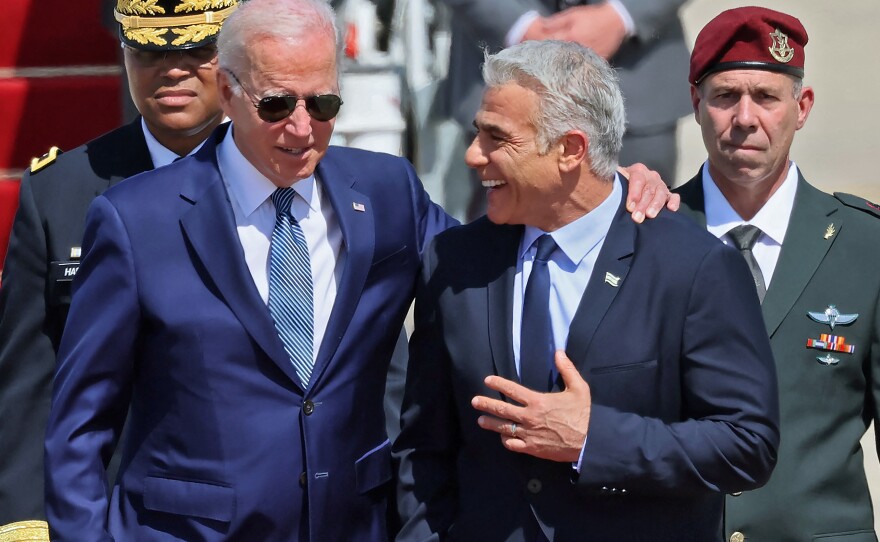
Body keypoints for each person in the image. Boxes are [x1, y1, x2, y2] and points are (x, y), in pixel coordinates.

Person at [39, 2, 676, 539]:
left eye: (323, 104)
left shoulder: (385, 190)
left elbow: (498, 261)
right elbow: (79, 424)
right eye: (276, 104)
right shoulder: (136, 219)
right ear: (228, 91)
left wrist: (600, 192)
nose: (301, 128)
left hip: (352, 523)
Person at [394, 39, 780, 541]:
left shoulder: (692, 267)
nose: (473, 155)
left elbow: (747, 444)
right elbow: (424, 449)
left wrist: (593, 440)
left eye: (497, 137)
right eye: (477, 133)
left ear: (571, 149)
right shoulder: (454, 261)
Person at [0, 0, 237, 529]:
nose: (173, 69)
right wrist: (26, 522)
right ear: (125, 52)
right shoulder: (60, 192)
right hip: (110, 514)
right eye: (149, 51)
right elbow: (28, 378)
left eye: (198, 50)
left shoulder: (283, 180)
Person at [676, 7, 880, 541]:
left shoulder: (866, 245)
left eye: (766, 97)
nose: (745, 117)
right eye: (724, 96)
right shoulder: (647, 236)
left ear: (802, 106)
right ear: (695, 104)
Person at [434, 0, 691, 220]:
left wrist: (622, 14)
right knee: (498, 240)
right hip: (500, 59)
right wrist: (518, 26)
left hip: (637, 72)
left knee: (643, 220)